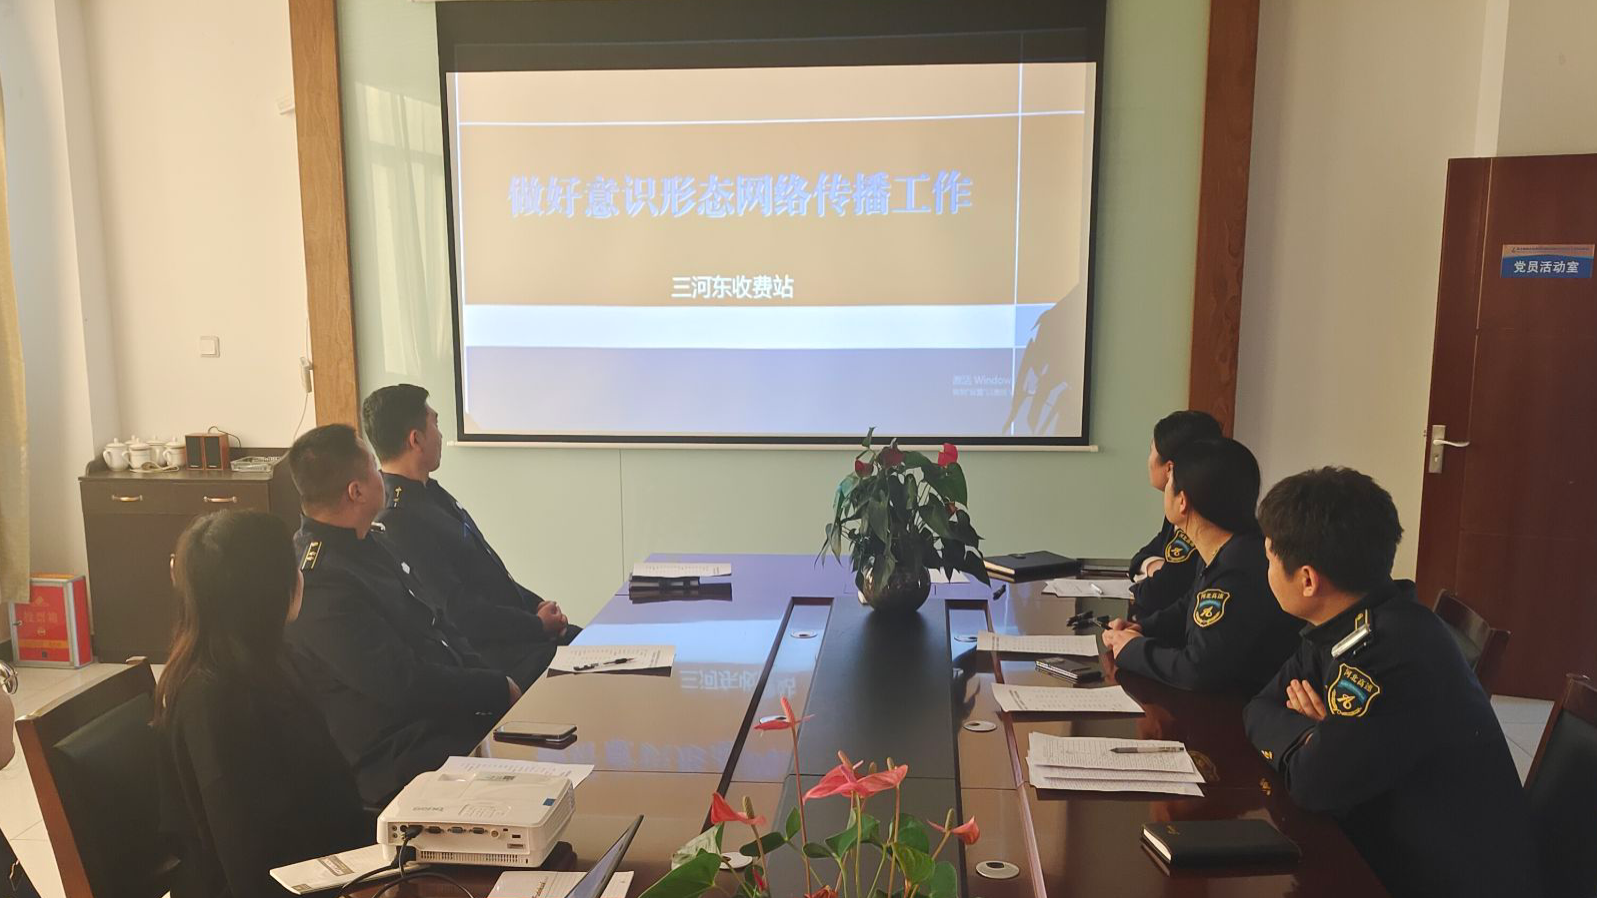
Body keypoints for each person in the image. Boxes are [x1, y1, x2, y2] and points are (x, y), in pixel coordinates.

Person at [1245, 468, 1540, 898]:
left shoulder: (1390, 654)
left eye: (1270, 558)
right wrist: (1314, 737)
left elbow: (1313, 783)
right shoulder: (1348, 620)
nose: (1266, 569)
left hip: (1437, 879)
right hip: (1389, 847)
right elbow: (1258, 707)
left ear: (1308, 579)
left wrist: (1319, 744)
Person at [283, 424, 519, 806]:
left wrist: (492, 681)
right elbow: (401, 683)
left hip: (439, 719)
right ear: (356, 492)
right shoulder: (321, 583)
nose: (382, 475)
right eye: (374, 468)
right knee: (531, 778)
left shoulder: (370, 540)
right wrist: (492, 689)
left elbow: (437, 622)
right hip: (398, 752)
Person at [155, 510, 371, 898]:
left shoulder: (273, 661)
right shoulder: (213, 702)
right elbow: (252, 869)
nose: (300, 576)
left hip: (328, 868)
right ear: (266, 590)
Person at [362, 385, 576, 688]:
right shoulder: (399, 519)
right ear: (416, 439)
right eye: (435, 423)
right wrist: (536, 625)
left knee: (606, 645)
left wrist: (537, 607)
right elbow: (460, 613)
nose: (440, 435)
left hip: (521, 636)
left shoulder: (430, 493)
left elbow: (488, 573)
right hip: (497, 658)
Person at [1101, 437, 1299, 693]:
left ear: (1183, 501)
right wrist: (1142, 628)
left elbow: (1196, 669)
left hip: (1239, 704)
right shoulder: (1231, 547)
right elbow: (1190, 606)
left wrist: (1134, 650)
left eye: (1170, 482)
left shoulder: (1237, 570)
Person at [1128, 410, 1223, 618]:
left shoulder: (1192, 514)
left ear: (1170, 468)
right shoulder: (1185, 507)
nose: (1148, 461)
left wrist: (1149, 578)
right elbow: (1139, 558)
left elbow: (1155, 594)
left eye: (1151, 451)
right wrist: (1153, 565)